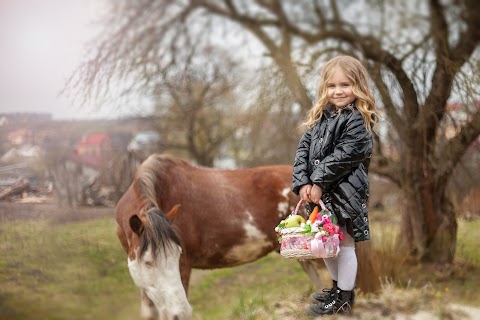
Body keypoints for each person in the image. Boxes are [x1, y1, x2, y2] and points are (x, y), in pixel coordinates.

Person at [292, 55, 378, 316]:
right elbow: (302, 152)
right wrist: (303, 182)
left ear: (358, 86)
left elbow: (344, 155)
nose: (338, 91)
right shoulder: (320, 119)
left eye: (345, 84)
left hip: (346, 194)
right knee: (326, 243)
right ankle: (337, 288)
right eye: (331, 86)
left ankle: (345, 295)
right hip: (322, 196)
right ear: (324, 89)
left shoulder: (358, 120)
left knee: (346, 243)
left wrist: (317, 181)